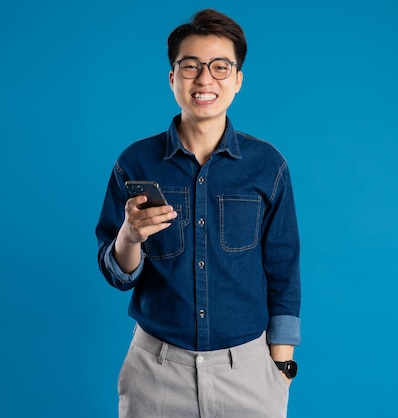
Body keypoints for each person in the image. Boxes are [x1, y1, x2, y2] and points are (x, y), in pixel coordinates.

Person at [95, 8, 301, 418]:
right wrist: (130, 237)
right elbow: (116, 273)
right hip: (156, 372)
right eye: (190, 66)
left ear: (238, 80)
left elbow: (283, 268)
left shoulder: (267, 165)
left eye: (220, 67)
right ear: (172, 77)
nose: (205, 79)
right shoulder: (135, 163)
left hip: (247, 372)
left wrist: (281, 368)